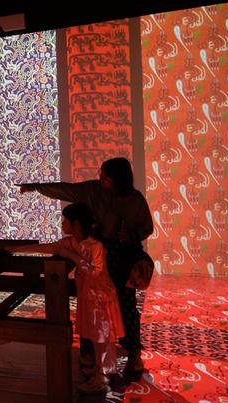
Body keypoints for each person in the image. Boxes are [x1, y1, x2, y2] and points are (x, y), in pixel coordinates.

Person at [17, 157, 153, 380]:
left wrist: (130, 235)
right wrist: (35, 187)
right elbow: (65, 190)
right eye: (101, 174)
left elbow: (147, 228)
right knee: (90, 306)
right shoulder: (92, 190)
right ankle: (89, 354)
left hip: (122, 259)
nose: (101, 178)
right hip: (98, 254)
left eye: (106, 176)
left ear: (119, 179)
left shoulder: (135, 200)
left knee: (125, 305)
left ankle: (133, 353)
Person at [11, 202, 124, 393]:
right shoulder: (70, 243)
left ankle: (104, 375)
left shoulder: (96, 246)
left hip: (101, 297)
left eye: (65, 220)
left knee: (103, 337)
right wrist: (15, 249)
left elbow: (96, 273)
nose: (62, 223)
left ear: (76, 224)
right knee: (97, 336)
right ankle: (104, 371)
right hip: (88, 297)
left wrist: (73, 257)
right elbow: (48, 248)